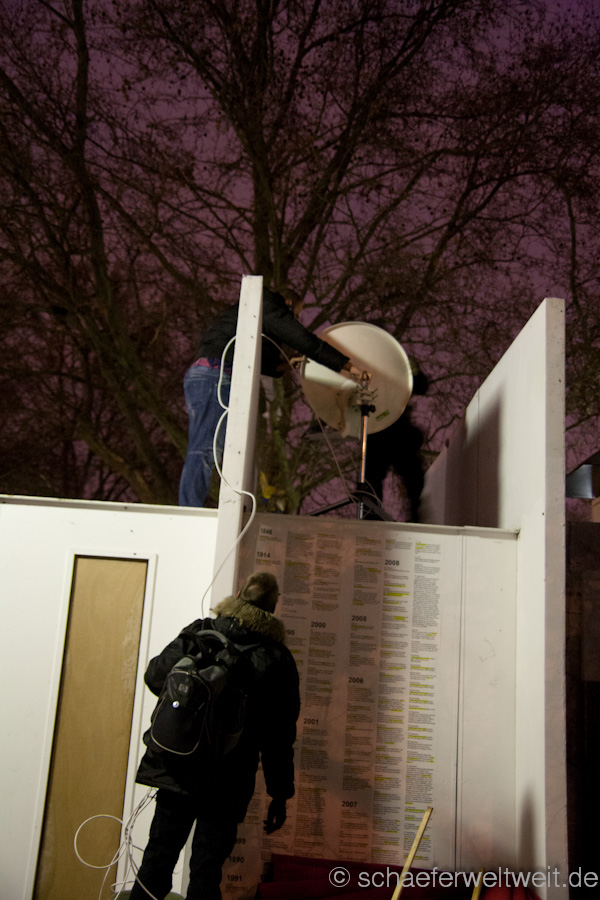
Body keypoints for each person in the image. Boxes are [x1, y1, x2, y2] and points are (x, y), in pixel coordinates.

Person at [129, 571, 300, 900]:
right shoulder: (276, 659)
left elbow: (155, 676)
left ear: (237, 595)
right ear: (273, 608)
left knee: (158, 858)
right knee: (206, 872)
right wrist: (280, 794)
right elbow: (279, 737)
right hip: (228, 781)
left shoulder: (200, 632)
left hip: (177, 766)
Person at [178, 286, 361, 506]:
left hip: (211, 375)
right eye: (295, 315)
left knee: (224, 448)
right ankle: (189, 509)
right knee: (206, 447)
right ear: (288, 304)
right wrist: (347, 367)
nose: (294, 320)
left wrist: (287, 364)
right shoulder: (268, 305)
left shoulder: (252, 314)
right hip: (216, 376)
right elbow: (304, 340)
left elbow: (261, 362)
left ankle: (221, 506)